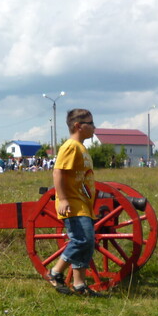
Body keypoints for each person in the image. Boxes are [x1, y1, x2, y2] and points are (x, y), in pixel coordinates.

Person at [44, 109, 105, 297]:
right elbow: (58, 172)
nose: (94, 127)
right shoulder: (71, 146)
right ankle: (55, 272)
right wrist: (62, 199)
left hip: (83, 203)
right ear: (78, 125)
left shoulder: (82, 148)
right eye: (91, 123)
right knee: (82, 240)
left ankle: (79, 284)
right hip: (72, 203)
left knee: (87, 243)